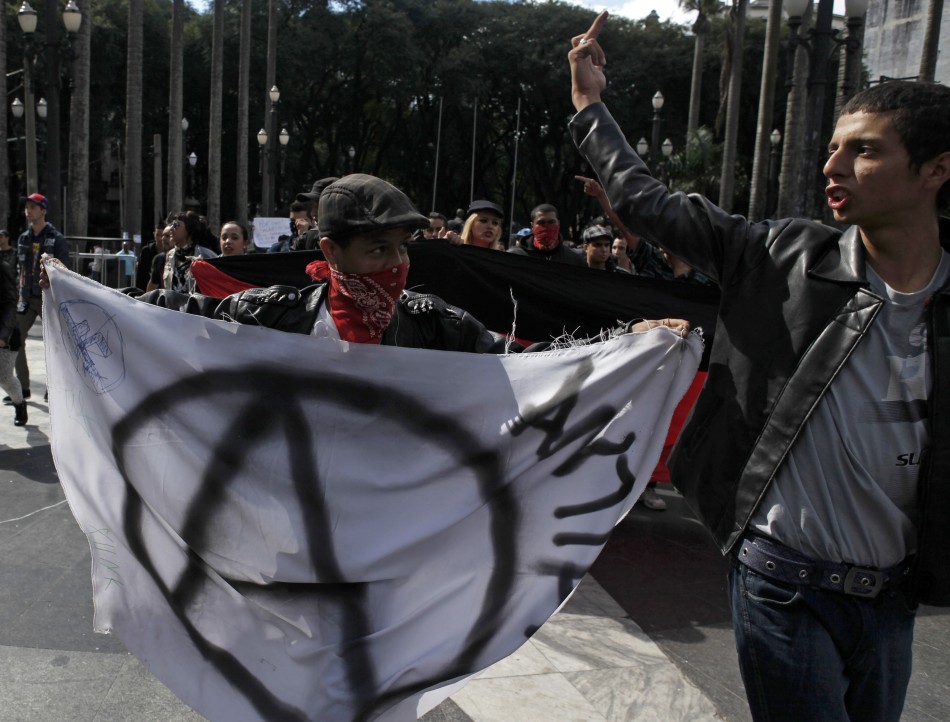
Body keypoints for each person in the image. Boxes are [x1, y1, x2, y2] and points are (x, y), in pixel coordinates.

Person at [570, 12, 950, 722]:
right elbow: (648, 203)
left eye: (865, 151)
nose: (833, 167)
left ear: (937, 169)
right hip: (782, 587)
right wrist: (590, 104)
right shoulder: (778, 257)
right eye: (832, 149)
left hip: (893, 602)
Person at [42, 174, 687, 353]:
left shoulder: (435, 324)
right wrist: (73, 290)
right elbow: (175, 311)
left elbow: (531, 359)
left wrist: (625, 339)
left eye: (403, 249)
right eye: (378, 250)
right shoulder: (273, 315)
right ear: (330, 253)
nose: (397, 266)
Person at [13, 193, 69, 404]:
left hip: (49, 299)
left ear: (43, 210)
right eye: (26, 207)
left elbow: (65, 270)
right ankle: (23, 388)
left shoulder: (56, 238)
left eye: (33, 207)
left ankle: (52, 389)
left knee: (55, 345)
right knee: (14, 339)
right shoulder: (23, 238)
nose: (28, 211)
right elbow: (19, 269)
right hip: (26, 298)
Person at [155, 212, 218, 293]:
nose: (171, 229)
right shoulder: (170, 255)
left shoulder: (206, 255)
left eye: (176, 225)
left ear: (189, 230)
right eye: (172, 225)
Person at [0, 230, 26, 425]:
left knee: (5, 377)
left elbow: (10, 303)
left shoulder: (4, 268)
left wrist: (3, 335)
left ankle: (19, 404)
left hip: (6, 334)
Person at [508, 204, 586, 266]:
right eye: (541, 223)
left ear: (558, 224)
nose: (546, 227)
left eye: (551, 222)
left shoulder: (574, 259)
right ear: (532, 226)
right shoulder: (515, 256)